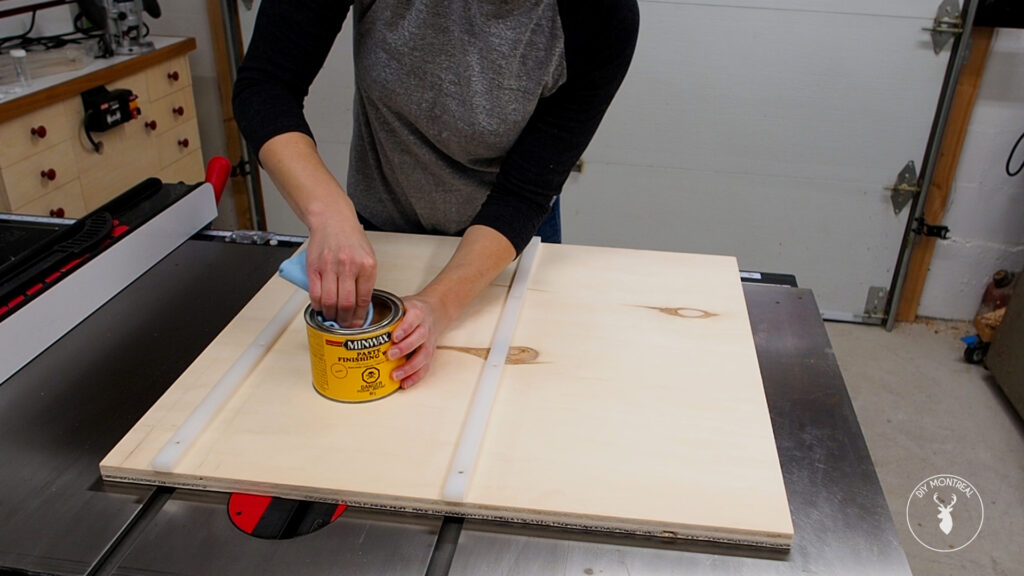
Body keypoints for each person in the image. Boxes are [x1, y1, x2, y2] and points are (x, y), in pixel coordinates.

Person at [234, 0, 639, 388]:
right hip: (381, 233)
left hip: (502, 244)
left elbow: (524, 193)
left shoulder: (602, 14)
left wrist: (439, 305)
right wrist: (331, 217)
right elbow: (266, 86)